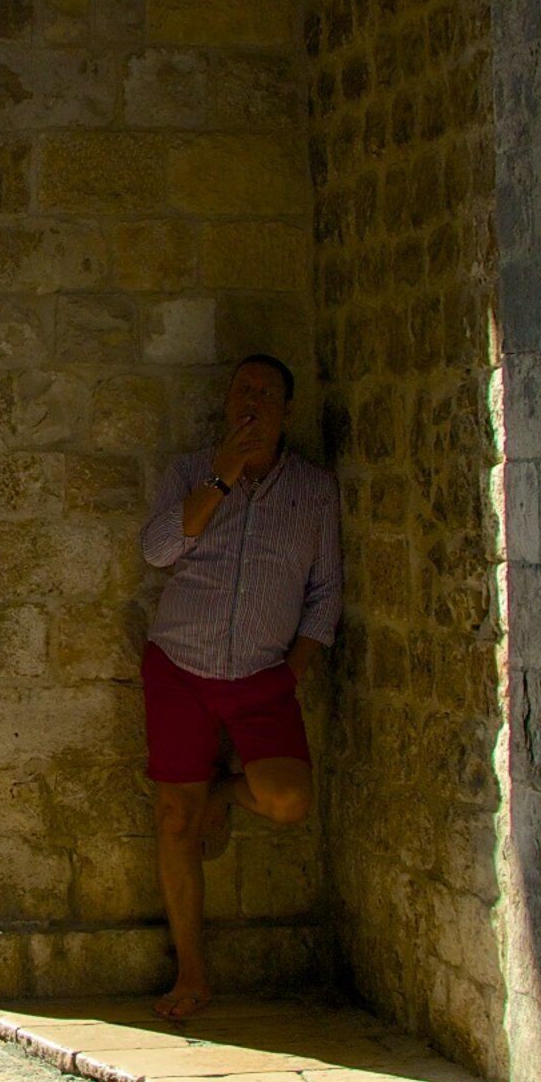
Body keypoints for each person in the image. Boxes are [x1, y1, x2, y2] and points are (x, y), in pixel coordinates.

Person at [139, 354, 340, 1022]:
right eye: (242, 391)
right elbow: (157, 551)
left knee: (289, 800)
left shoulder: (314, 491)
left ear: (287, 410)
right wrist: (220, 480)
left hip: (262, 675)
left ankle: (223, 793)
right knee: (174, 817)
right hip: (180, 663)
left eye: (265, 394)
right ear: (227, 402)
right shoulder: (190, 471)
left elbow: (326, 594)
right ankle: (191, 973)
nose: (251, 402)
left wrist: (292, 672)